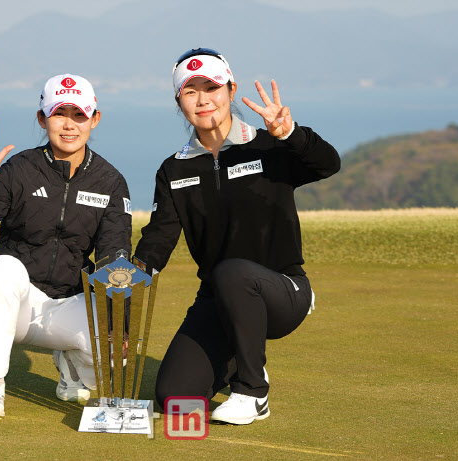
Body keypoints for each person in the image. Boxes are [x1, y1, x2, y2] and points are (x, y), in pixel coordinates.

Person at [134, 49, 340, 425]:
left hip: (283, 291)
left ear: (231, 90)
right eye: (190, 91)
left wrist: (290, 134)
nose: (203, 99)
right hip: (218, 300)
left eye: (212, 88)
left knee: (233, 272)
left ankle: (252, 392)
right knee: (174, 398)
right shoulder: (173, 170)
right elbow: (159, 238)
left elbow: (328, 164)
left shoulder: (269, 147)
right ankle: (239, 361)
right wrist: (129, 278)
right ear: (179, 101)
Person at [0, 74, 132, 420]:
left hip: (68, 304)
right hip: (17, 305)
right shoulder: (19, 170)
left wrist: (119, 320)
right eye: (59, 113)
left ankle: (72, 365)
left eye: (79, 115)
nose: (69, 125)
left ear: (94, 119)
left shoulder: (109, 181)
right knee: (0, 269)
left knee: (115, 352)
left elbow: (115, 253)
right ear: (42, 118)